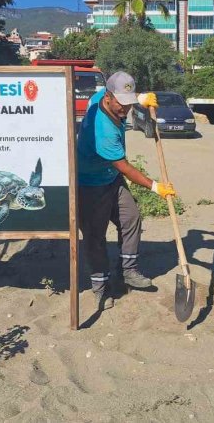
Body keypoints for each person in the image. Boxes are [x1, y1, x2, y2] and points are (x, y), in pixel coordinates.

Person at [76, 71, 176, 310]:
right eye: (122, 104)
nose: (126, 109)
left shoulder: (101, 97)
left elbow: (124, 98)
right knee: (95, 237)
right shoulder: (103, 130)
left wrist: (140, 99)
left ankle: (128, 270)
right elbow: (124, 167)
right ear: (109, 97)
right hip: (90, 184)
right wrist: (156, 187)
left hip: (111, 178)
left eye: (129, 103)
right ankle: (100, 287)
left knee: (131, 218)